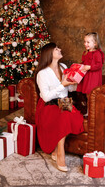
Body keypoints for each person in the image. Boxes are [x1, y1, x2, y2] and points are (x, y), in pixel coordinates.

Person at [35, 42, 84, 172]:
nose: (60, 49)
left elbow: (69, 88)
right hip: (48, 105)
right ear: (49, 53)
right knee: (64, 117)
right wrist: (62, 84)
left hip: (64, 102)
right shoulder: (42, 73)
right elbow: (45, 97)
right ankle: (61, 152)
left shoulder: (63, 66)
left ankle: (56, 150)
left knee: (75, 117)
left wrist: (76, 80)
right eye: (57, 49)